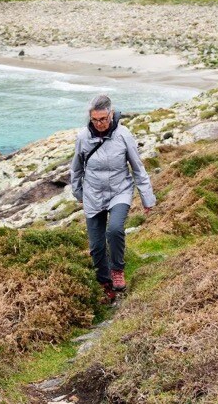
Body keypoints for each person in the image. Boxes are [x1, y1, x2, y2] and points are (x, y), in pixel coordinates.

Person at [70, 95, 155, 302]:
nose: (99, 124)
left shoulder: (123, 134)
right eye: (95, 120)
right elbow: (76, 169)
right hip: (93, 194)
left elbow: (138, 168)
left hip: (120, 190)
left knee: (115, 229)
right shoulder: (83, 137)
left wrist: (147, 199)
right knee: (97, 246)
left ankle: (117, 269)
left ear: (111, 113)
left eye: (103, 119)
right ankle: (104, 283)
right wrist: (79, 194)